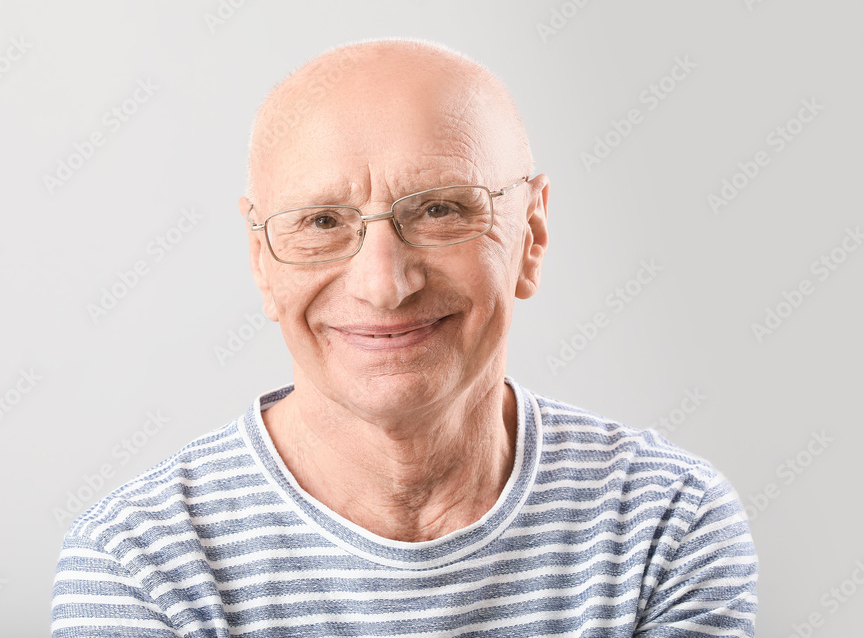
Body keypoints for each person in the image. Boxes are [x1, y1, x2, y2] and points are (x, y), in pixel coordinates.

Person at [51, 37, 757, 637]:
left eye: (440, 209)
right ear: (261, 260)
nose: (384, 285)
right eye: (322, 222)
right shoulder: (140, 561)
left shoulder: (665, 522)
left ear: (531, 236)